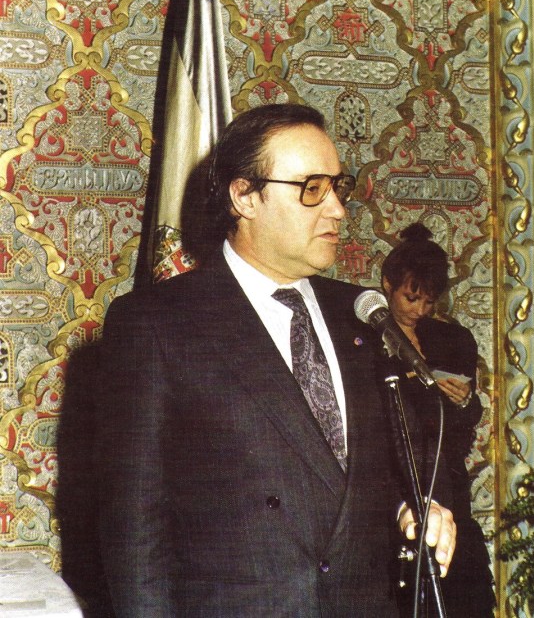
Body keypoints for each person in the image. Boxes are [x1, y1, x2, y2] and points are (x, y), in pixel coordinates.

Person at [96, 103, 456, 617]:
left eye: (338, 187)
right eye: (312, 188)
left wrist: (412, 507)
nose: (337, 209)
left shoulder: (362, 315)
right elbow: (135, 532)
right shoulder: (157, 323)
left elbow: (385, 469)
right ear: (244, 196)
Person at [380, 222, 495, 617]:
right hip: (395, 485)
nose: (419, 311)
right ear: (387, 284)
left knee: (463, 597)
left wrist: (464, 402)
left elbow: (469, 418)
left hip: (449, 483)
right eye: (411, 298)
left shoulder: (454, 340)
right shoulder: (365, 341)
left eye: (429, 302)